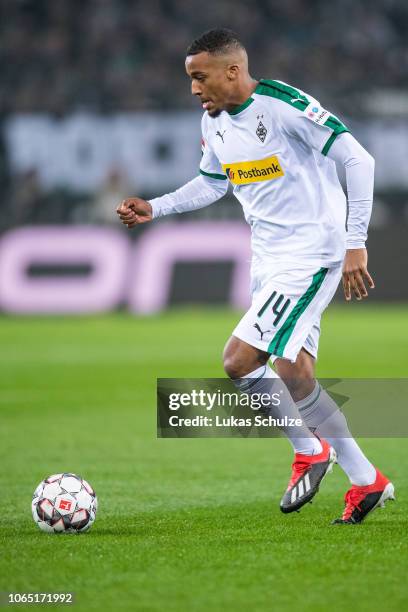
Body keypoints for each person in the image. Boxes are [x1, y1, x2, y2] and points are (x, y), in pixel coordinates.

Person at [117, 28, 395, 524]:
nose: (195, 89)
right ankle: (366, 479)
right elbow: (211, 183)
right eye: (189, 80)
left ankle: (309, 451)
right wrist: (154, 208)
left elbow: (359, 158)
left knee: (238, 361)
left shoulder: (283, 106)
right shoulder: (215, 125)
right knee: (295, 372)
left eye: (200, 78)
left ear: (232, 71)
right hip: (268, 259)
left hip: (311, 253)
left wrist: (357, 240)